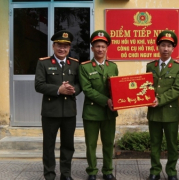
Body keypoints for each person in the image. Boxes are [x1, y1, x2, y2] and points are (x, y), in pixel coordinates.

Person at [35, 30, 81, 180]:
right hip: (50, 112)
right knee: (49, 146)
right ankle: (49, 175)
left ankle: (66, 174)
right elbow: (39, 85)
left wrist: (74, 90)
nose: (62, 49)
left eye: (66, 46)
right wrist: (58, 90)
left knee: (68, 145)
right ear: (54, 46)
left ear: (69, 48)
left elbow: (80, 84)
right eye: (59, 45)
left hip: (69, 112)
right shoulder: (44, 63)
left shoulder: (74, 64)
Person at [78, 30, 118, 180]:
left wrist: (120, 100)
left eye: (103, 46)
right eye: (97, 46)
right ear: (92, 48)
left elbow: (116, 88)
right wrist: (106, 100)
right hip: (92, 112)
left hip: (109, 112)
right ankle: (92, 171)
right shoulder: (85, 67)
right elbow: (87, 89)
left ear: (107, 48)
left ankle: (108, 170)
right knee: (91, 144)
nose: (100, 49)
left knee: (108, 143)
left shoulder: (112, 66)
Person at [146, 30, 179, 180]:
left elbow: (176, 89)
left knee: (172, 144)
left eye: (169, 46)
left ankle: (171, 171)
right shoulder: (150, 66)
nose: (166, 49)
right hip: (154, 112)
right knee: (154, 143)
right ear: (158, 47)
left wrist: (159, 99)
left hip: (170, 112)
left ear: (173, 48)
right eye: (163, 45)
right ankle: (155, 170)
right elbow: (146, 86)